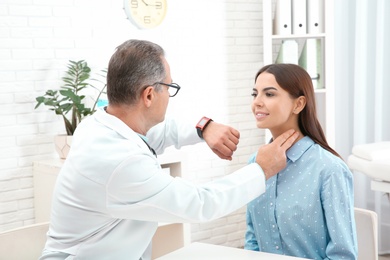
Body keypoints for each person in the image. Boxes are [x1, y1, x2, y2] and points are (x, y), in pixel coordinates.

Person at [39, 39, 298, 260]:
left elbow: (157, 132)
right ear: (149, 95)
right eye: (170, 88)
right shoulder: (122, 161)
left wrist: (203, 127)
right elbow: (200, 203)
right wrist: (260, 170)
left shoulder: (98, 123)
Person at [244, 63, 358, 259]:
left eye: (269, 94)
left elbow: (343, 254)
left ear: (298, 104)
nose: (257, 102)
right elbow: (252, 238)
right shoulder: (255, 163)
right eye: (255, 94)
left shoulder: (329, 169)